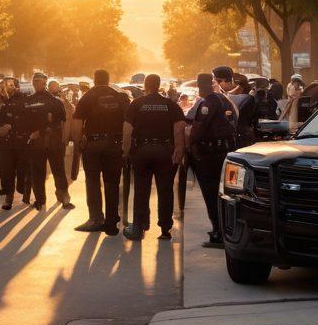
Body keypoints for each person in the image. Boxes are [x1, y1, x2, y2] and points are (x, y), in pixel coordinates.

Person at [122, 74, 186, 242]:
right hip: (165, 151)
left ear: (145, 85)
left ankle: (139, 226)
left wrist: (126, 151)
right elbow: (179, 128)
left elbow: (127, 130)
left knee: (141, 189)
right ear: (159, 86)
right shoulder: (170, 105)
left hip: (141, 151)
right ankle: (165, 229)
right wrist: (179, 149)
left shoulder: (136, 104)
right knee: (165, 190)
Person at [72, 69, 129, 235]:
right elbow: (128, 122)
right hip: (115, 144)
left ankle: (96, 219)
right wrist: (125, 147)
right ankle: (112, 220)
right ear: (108, 80)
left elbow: (76, 123)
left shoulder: (88, 96)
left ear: (94, 80)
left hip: (94, 144)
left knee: (93, 181)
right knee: (112, 182)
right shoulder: (120, 96)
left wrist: (77, 144)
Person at [186, 71, 237, 248]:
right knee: (223, 193)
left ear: (202, 87)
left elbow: (198, 130)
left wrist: (189, 145)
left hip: (211, 154)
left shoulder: (208, 103)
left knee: (211, 193)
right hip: (224, 151)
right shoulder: (223, 99)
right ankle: (224, 229)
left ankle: (218, 232)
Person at [22, 73, 73, 210]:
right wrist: (31, 134)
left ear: (45, 83)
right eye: (35, 81)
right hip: (36, 143)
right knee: (37, 173)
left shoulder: (55, 101)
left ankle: (64, 199)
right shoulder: (27, 101)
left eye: (40, 81)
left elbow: (62, 121)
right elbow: (23, 122)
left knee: (59, 172)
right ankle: (40, 200)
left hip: (53, 142)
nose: (37, 83)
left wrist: (64, 141)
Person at [0, 77, 35, 211]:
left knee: (23, 169)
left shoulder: (25, 99)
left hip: (22, 141)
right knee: (6, 171)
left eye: (11, 85)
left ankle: (22, 189)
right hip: (6, 143)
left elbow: (32, 118)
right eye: (6, 86)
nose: (8, 88)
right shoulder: (0, 101)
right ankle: (9, 198)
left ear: (17, 86)